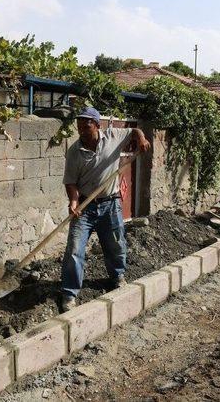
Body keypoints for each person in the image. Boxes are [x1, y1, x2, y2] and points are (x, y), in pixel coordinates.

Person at [60, 107, 150, 312]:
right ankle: (69, 293)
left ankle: (117, 277)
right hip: (85, 206)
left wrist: (142, 139)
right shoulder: (74, 152)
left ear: (97, 125)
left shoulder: (112, 136)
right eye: (79, 126)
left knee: (116, 243)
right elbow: (71, 183)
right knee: (75, 249)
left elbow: (134, 131)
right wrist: (73, 202)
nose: (82, 130)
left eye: (86, 125)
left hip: (111, 203)